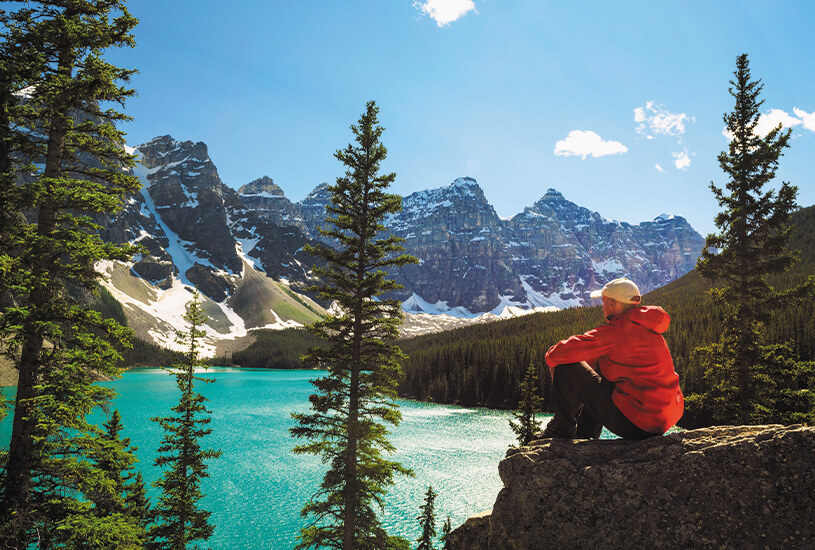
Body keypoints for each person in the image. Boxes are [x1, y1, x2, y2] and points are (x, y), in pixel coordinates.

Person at [541, 277, 683, 440]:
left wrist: (556, 369)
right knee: (600, 369)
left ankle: (561, 432)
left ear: (612, 304)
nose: (602, 307)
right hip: (662, 421)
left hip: (637, 424)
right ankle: (585, 434)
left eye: (604, 301)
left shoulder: (615, 332)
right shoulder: (650, 329)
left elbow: (557, 354)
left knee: (566, 367)